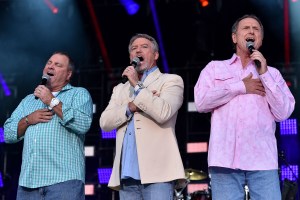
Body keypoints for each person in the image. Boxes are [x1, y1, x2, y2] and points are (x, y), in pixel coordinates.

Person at [194, 14, 295, 200]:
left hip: (262, 160)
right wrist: (240, 86)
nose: (251, 31)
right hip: (224, 161)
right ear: (234, 37)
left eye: (256, 29)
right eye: (246, 28)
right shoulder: (215, 68)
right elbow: (201, 102)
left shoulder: (272, 74)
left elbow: (283, 113)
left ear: (261, 40)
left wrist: (264, 73)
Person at [100, 33, 185, 200]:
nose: (138, 50)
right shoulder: (120, 89)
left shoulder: (171, 81)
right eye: (134, 48)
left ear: (155, 55)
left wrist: (137, 86)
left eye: (144, 47)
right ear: (131, 56)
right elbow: (105, 122)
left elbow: (163, 113)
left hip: (159, 172)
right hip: (126, 173)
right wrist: (130, 107)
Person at [4, 52, 93, 200]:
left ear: (68, 74)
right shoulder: (29, 100)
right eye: (49, 63)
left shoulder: (78, 94)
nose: (51, 66)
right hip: (29, 183)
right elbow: (7, 133)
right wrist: (28, 119)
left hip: (64, 182)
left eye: (58, 65)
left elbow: (83, 124)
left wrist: (51, 100)